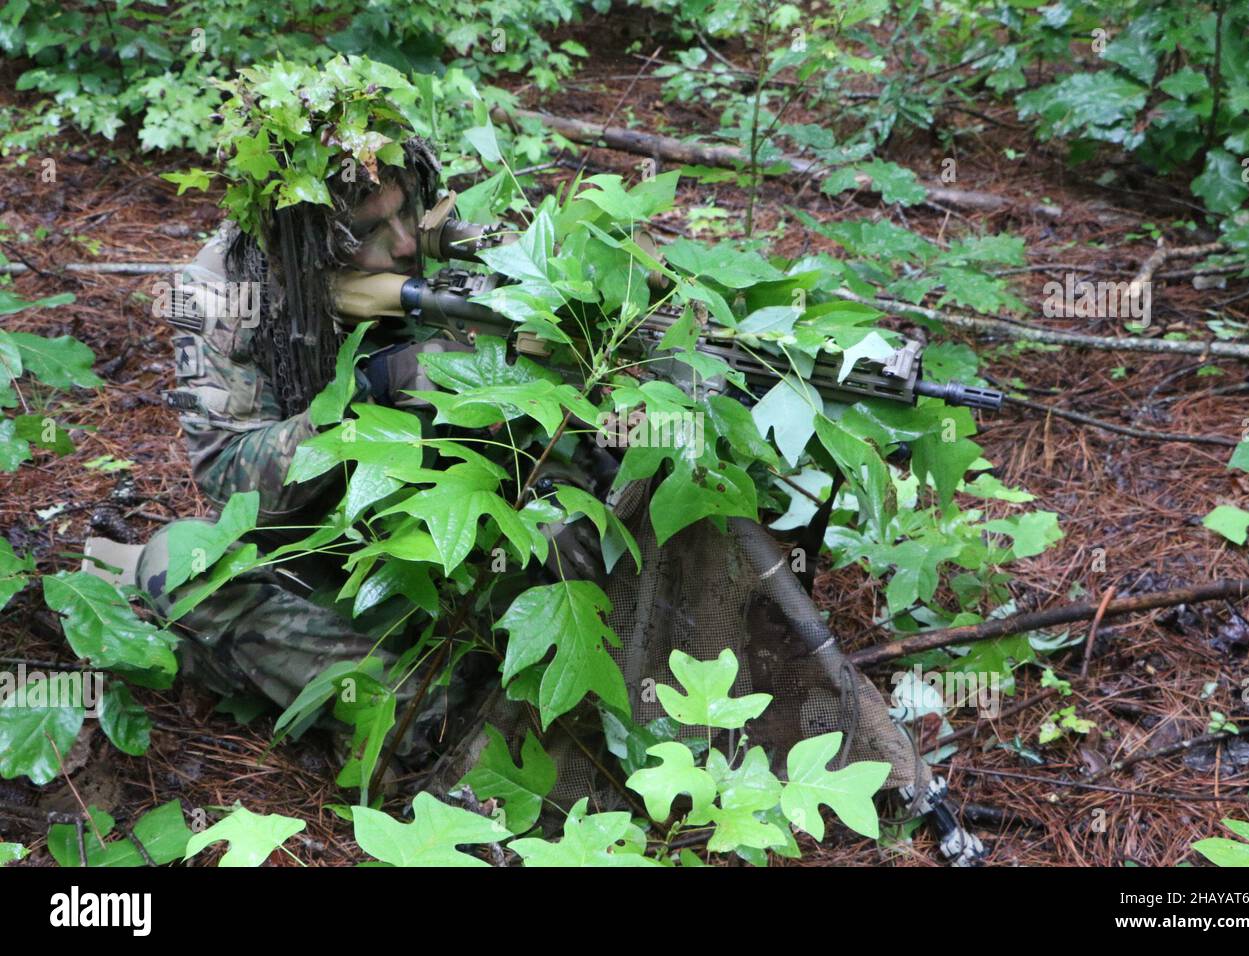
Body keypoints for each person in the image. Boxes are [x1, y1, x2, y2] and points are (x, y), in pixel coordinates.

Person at [127, 58, 981, 857]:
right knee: (180, 564)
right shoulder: (227, 288)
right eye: (363, 234)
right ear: (301, 239)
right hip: (324, 551)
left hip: (471, 545)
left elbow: (583, 351)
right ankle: (415, 731)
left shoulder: (444, 238)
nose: (399, 249)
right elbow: (234, 482)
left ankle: (547, 705)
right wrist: (384, 385)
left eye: (403, 215)